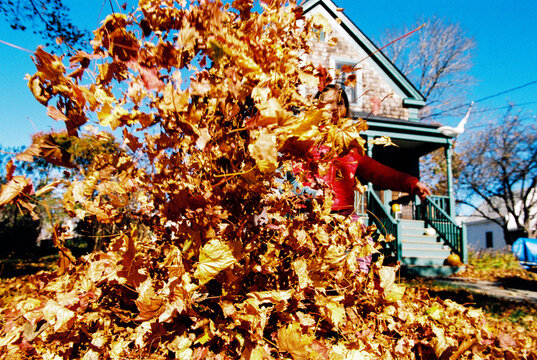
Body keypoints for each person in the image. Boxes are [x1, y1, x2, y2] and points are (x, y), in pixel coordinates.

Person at [295, 84, 431, 216]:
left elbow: (378, 172)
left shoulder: (351, 147)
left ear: (346, 109)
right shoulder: (305, 137)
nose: (335, 107)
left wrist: (412, 183)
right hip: (308, 211)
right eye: (329, 102)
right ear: (317, 105)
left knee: (368, 240)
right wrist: (308, 194)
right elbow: (291, 173)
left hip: (344, 214)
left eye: (340, 103)